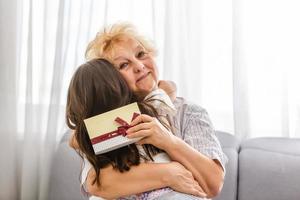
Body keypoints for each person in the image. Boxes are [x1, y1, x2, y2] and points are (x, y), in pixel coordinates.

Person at [83, 22, 228, 200]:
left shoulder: (188, 113)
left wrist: (168, 141)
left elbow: (213, 183)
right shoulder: (110, 122)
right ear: (110, 82)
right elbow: (95, 182)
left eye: (141, 54)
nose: (139, 66)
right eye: (123, 65)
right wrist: (169, 173)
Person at [66, 58, 207, 199]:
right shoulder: (146, 108)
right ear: (120, 85)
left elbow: (73, 141)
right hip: (167, 189)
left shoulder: (87, 137)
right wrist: (163, 87)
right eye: (123, 65)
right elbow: (168, 89)